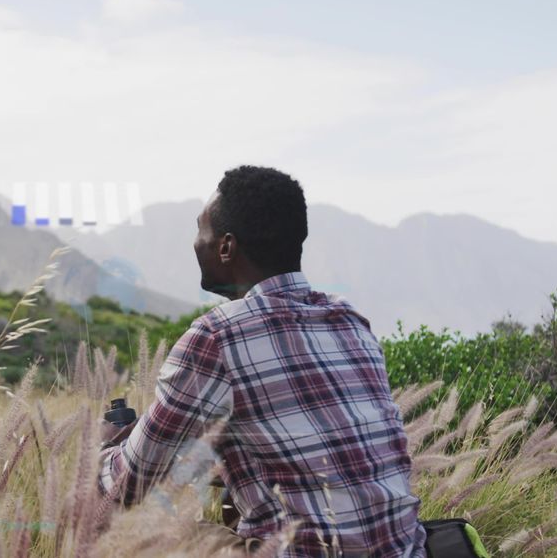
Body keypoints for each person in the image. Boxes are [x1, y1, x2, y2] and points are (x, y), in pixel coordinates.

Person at [98, 166, 425, 556]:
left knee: (139, 530)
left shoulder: (216, 337)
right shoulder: (350, 321)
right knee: (230, 504)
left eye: (200, 231)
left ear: (226, 247)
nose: (194, 244)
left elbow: (129, 485)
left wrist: (102, 449)